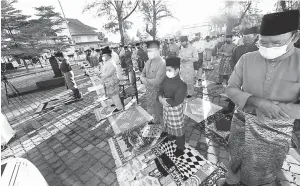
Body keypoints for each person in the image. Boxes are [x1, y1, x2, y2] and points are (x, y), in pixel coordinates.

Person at [218, 10, 300, 186]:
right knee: (236, 157)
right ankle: (231, 181)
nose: (268, 48)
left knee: (263, 170)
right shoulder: (247, 59)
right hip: (241, 122)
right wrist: (257, 101)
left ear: (294, 37)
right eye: (263, 42)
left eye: (276, 43)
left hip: (275, 130)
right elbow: (231, 89)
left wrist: (274, 108)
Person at [224, 27, 259, 114]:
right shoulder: (238, 48)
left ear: (255, 37)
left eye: (249, 37)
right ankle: (230, 108)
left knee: (246, 96)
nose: (246, 39)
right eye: (244, 36)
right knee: (234, 91)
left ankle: (243, 112)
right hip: (236, 76)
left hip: (251, 79)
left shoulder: (258, 50)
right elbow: (232, 60)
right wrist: (236, 70)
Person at [158, 57, 187, 157]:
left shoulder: (182, 84)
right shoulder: (166, 79)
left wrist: (164, 101)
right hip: (165, 107)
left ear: (177, 70)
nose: (167, 72)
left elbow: (177, 100)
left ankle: (180, 147)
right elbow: (160, 89)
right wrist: (160, 98)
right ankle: (170, 135)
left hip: (175, 110)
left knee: (178, 129)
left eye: (169, 70)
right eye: (166, 70)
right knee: (167, 123)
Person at [140, 40, 166, 125]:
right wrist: (143, 79)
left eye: (152, 51)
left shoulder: (162, 63)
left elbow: (157, 80)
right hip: (150, 92)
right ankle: (155, 120)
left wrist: (144, 80)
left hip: (159, 92)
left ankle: (165, 130)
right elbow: (142, 74)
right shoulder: (148, 61)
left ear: (158, 50)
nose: (149, 53)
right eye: (148, 51)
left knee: (161, 111)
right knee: (153, 108)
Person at [100, 46, 124, 113]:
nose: (103, 57)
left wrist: (101, 75)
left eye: (104, 55)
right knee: (112, 95)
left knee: (115, 95)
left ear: (107, 55)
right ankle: (116, 104)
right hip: (109, 81)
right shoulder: (107, 61)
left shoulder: (111, 63)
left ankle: (119, 107)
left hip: (112, 81)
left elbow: (108, 74)